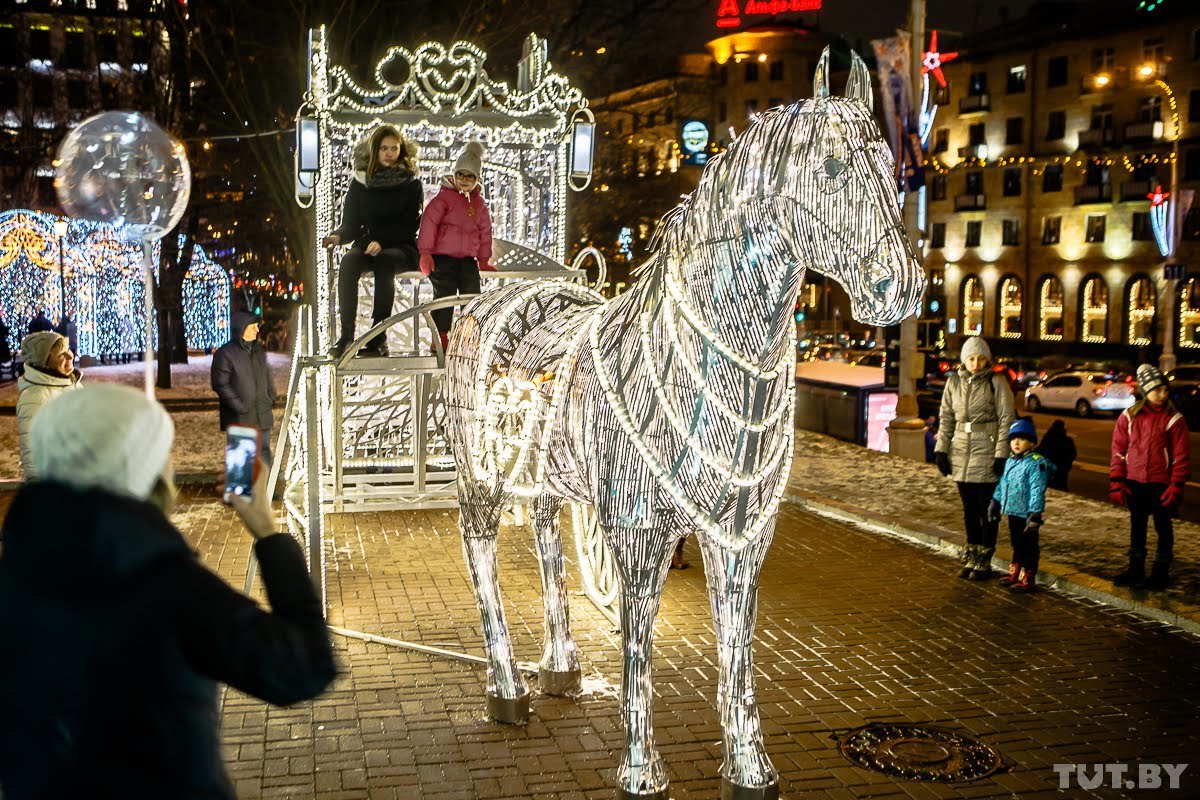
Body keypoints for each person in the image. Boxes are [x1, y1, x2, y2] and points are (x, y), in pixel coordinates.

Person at [0, 385, 336, 798]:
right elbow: (304, 668)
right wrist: (266, 530)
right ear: (140, 465)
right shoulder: (165, 585)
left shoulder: (17, 575)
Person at [323, 125, 423, 358]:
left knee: (385, 261)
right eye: (384, 148)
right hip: (367, 245)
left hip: (400, 245)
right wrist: (338, 236)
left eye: (394, 148)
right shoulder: (361, 183)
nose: (389, 153)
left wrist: (383, 241)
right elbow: (351, 223)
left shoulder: (411, 184)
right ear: (375, 151)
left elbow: (411, 224)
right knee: (349, 261)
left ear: (401, 150)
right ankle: (346, 336)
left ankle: (379, 338)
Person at [933, 337, 1016, 580]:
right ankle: (972, 551)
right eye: (971, 359)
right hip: (961, 450)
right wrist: (941, 450)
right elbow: (946, 417)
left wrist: (1001, 454)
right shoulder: (953, 383)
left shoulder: (996, 382)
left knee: (987, 508)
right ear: (963, 360)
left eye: (980, 359)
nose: (976, 364)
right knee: (969, 508)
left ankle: (985, 556)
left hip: (986, 450)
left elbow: (1006, 419)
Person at [1109, 364, 1191, 590]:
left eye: (1165, 390)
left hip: (1161, 484)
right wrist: (1117, 481)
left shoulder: (1174, 420)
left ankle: (1160, 573)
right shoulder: (1129, 417)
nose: (1163, 394)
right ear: (1146, 391)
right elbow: (1118, 450)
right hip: (1135, 483)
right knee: (1138, 526)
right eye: (1158, 390)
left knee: (1163, 528)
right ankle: (1135, 570)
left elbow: (1181, 457)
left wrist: (1176, 485)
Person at [417, 141, 495, 353]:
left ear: (477, 179)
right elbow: (428, 225)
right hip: (443, 257)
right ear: (455, 175)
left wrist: (484, 259)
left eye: (470, 176)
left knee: (472, 294)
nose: (464, 180)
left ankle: (469, 334)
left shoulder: (478, 204)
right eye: (461, 175)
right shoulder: (443, 199)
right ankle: (440, 336)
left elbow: (485, 231)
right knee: (445, 294)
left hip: (466, 259)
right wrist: (425, 253)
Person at [988, 418, 1052, 593]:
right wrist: (995, 501)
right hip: (1013, 511)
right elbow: (1003, 484)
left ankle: (1028, 576)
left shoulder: (1035, 463)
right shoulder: (1011, 461)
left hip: (1027, 514)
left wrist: (1035, 514)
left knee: (1028, 545)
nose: (1016, 443)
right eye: (1013, 439)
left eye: (1022, 439)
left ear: (1031, 443)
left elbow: (1036, 490)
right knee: (1016, 543)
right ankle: (1015, 572)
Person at [212, 311, 276, 466]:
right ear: (242, 328)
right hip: (240, 418)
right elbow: (220, 384)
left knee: (264, 454)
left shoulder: (258, 351)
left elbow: (266, 376)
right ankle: (241, 490)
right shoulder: (225, 354)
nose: (257, 330)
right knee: (241, 458)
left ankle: (268, 488)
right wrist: (239, 406)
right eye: (254, 326)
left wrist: (270, 397)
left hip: (262, 414)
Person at [17, 331, 81, 480]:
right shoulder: (35, 397)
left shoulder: (70, 383)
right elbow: (31, 451)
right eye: (60, 355)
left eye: (68, 350)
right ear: (44, 363)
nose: (70, 356)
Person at [1037, 419, 1077, 491]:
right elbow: (1073, 454)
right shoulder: (1067, 441)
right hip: (1062, 471)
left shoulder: (1048, 438)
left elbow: (1040, 451)